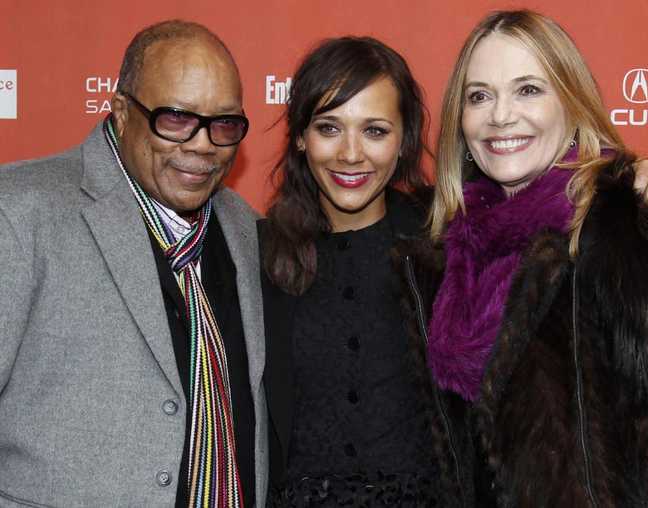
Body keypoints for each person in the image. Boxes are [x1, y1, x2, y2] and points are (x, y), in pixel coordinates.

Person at [403, 9, 648, 506]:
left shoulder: (628, 227)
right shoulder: (444, 251)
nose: (501, 115)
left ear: (571, 102)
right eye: (479, 96)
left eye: (528, 89)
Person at [0, 20, 267, 507]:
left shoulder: (245, 227)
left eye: (224, 124)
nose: (203, 144)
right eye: (176, 118)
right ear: (122, 112)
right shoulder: (19, 213)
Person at [259, 36, 478, 507]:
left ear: (404, 140)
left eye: (375, 130)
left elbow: (549, 197)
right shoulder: (254, 253)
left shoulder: (446, 242)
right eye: (329, 128)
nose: (351, 154)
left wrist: (635, 179)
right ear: (300, 136)